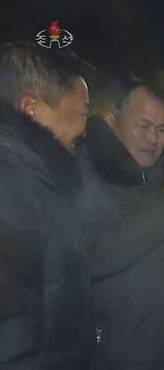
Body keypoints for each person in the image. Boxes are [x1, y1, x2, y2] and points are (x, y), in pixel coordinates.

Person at [74, 80, 164, 370]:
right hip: (120, 351)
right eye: (143, 127)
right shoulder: (87, 171)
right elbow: (95, 254)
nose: (153, 139)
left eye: (162, 129)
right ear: (111, 120)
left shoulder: (157, 173)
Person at [0, 42, 93, 369]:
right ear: (30, 110)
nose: (85, 126)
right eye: (80, 110)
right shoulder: (10, 192)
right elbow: (12, 345)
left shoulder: (36, 179)